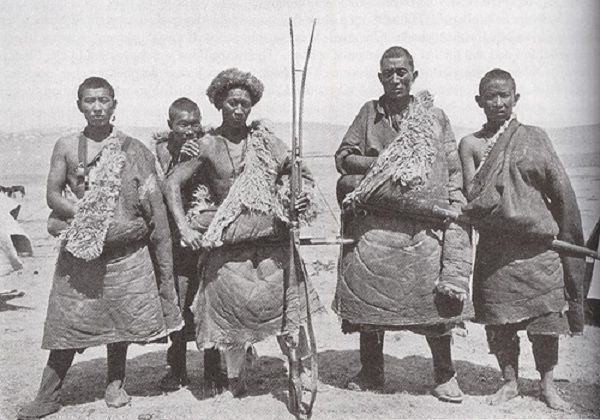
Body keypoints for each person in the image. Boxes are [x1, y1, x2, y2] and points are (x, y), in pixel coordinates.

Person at [18, 77, 183, 419]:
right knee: (66, 321)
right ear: (79, 105)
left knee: (119, 319)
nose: (97, 107)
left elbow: (154, 208)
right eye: (90, 101)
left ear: (114, 105)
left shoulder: (134, 149)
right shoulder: (66, 146)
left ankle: (115, 384)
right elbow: (52, 194)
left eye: (103, 100)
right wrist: (88, 215)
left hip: (125, 253)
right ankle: (48, 395)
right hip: (80, 250)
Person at [165, 68, 321, 397]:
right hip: (229, 237)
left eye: (245, 104)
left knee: (287, 298)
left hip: (269, 234)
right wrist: (183, 227)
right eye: (233, 103)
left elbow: (297, 171)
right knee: (227, 299)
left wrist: (297, 196)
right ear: (219, 103)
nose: (239, 110)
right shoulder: (205, 145)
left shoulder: (265, 141)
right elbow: (172, 184)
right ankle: (235, 371)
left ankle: (301, 365)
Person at [333, 46, 473, 403]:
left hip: (422, 224)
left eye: (402, 72)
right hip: (376, 226)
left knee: (434, 302)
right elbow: (343, 158)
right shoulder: (369, 113)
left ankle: (445, 375)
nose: (395, 79)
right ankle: (371, 371)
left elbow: (452, 168)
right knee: (369, 298)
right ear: (380, 77)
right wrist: (385, 165)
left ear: (414, 75)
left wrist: (454, 209)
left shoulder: (435, 117)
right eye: (388, 73)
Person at [459, 69, 585, 410]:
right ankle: (510, 382)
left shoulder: (535, 138)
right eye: (490, 96)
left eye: (504, 95)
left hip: (538, 250)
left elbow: (561, 193)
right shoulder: (470, 145)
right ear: (479, 101)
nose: (498, 102)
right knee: (499, 323)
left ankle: (547, 386)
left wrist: (569, 235)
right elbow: (474, 197)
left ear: (516, 98)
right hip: (496, 252)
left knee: (546, 322)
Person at [153, 97, 206, 390]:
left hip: (204, 233)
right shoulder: (163, 149)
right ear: (170, 125)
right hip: (176, 237)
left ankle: (213, 367)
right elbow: (165, 186)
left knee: (208, 299)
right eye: (183, 124)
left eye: (194, 123)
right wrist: (181, 160)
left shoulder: (206, 143)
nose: (189, 130)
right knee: (180, 300)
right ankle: (177, 368)